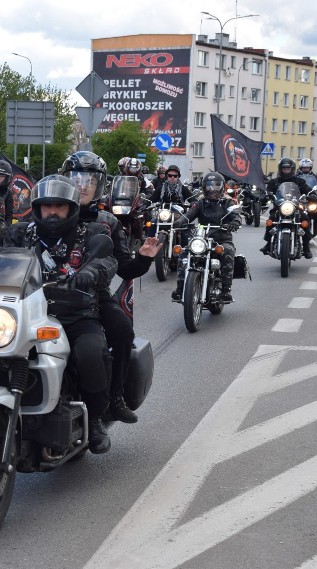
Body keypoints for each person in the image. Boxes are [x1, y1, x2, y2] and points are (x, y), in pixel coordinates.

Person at [0, 176, 118, 453]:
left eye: (59, 207)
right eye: (46, 206)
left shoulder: (90, 233)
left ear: (71, 208)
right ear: (37, 209)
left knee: (90, 352)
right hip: (27, 314)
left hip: (75, 314)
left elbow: (106, 260)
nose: (52, 212)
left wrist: (91, 272)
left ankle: (96, 418)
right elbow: (0, 258)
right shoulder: (20, 234)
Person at [62, 151, 161, 424]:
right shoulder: (49, 212)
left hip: (92, 297)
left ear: (99, 186)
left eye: (89, 180)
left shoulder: (107, 222)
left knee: (121, 330)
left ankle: (114, 398)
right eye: (76, 178)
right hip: (44, 295)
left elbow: (126, 268)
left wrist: (143, 257)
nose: (82, 185)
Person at [172, 172, 241, 302]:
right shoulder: (200, 203)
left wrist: (234, 223)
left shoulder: (227, 203)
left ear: (221, 187)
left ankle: (226, 291)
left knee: (228, 252)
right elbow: (189, 215)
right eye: (209, 186)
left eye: (216, 186)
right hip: (202, 239)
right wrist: (178, 222)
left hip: (222, 238)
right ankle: (180, 289)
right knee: (183, 254)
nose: (212, 189)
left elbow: (236, 216)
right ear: (204, 187)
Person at [261, 157, 313, 258]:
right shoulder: (274, 182)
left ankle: (306, 247)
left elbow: (308, 189)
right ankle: (268, 244)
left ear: (292, 169)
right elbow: (268, 191)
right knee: (271, 219)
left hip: (296, 208)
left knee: (305, 219)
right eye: (284, 169)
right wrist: (266, 194)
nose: (286, 171)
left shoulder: (299, 181)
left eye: (288, 169)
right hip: (279, 208)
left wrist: (312, 193)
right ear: (281, 169)